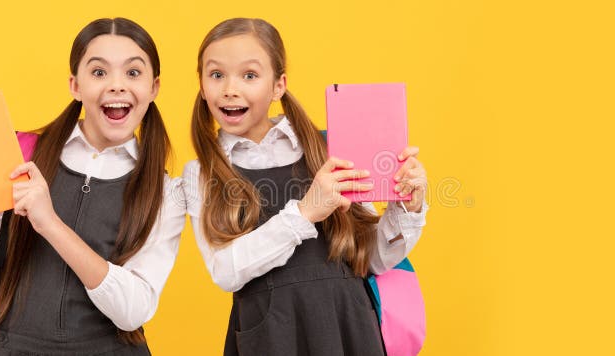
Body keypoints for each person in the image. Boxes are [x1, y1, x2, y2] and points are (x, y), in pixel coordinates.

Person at [0, 17, 184, 355]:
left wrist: (50, 224)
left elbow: (133, 310)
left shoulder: (166, 192)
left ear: (153, 88)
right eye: (98, 72)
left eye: (133, 72)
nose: (116, 85)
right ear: (75, 85)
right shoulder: (20, 155)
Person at [182, 17, 429, 355]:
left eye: (250, 75)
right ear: (202, 83)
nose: (230, 89)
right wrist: (304, 212)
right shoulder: (200, 173)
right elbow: (226, 271)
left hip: (348, 325)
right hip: (271, 336)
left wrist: (407, 206)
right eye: (216, 75)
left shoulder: (332, 147)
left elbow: (372, 260)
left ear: (278, 85)